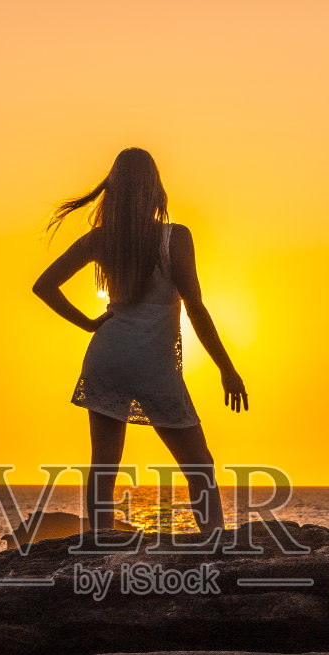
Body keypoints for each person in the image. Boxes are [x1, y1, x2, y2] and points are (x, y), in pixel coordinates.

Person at [33, 147, 247, 539]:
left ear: (113, 191)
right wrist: (227, 369)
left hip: (107, 355)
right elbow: (195, 308)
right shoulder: (174, 237)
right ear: (154, 188)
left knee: (104, 464)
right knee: (198, 463)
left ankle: (99, 543)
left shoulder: (102, 240)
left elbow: (43, 286)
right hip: (153, 363)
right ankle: (216, 541)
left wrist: (88, 323)